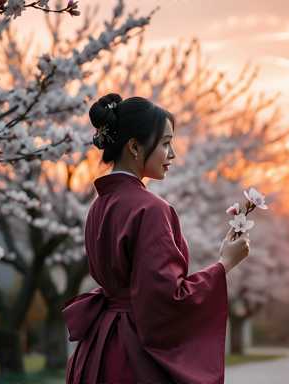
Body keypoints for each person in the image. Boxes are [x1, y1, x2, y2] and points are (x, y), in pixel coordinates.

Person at [62, 93, 251, 384]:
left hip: (98, 349)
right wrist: (223, 265)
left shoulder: (98, 206)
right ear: (135, 146)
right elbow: (165, 299)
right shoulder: (151, 209)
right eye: (165, 143)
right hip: (132, 355)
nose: (173, 154)